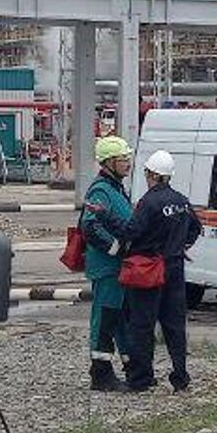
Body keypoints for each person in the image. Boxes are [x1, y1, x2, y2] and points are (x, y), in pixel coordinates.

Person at [118, 150, 201, 392]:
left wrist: (110, 220)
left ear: (152, 174)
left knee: (142, 324)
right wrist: (180, 245)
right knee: (175, 325)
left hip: (150, 269)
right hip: (175, 267)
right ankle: (180, 377)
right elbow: (196, 228)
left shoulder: (149, 202)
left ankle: (141, 378)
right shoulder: (182, 201)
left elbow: (130, 232)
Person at [79, 135, 135, 392]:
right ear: (109, 162)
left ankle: (132, 368)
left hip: (118, 267)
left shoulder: (115, 188)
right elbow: (89, 225)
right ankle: (100, 374)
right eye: (123, 159)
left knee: (120, 317)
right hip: (107, 267)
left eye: (128, 158)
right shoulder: (101, 190)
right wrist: (115, 248)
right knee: (104, 317)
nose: (128, 163)